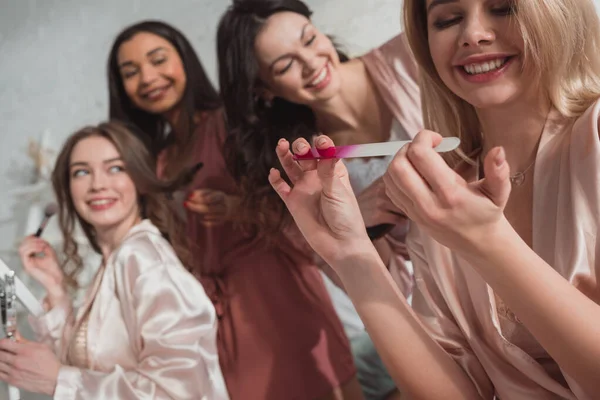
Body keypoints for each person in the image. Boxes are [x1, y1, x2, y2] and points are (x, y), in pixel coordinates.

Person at [268, 0, 600, 398]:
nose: (472, 34)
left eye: (504, 7)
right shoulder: (441, 191)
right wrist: (352, 253)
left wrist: (488, 243)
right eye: (448, 19)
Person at [108, 20, 361, 400]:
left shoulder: (234, 122)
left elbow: (299, 201)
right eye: (131, 72)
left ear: (185, 62)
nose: (148, 77)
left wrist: (236, 208)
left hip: (278, 293)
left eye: (158, 59)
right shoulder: (154, 164)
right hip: (213, 314)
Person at [217, 1, 424, 398]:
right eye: (284, 66)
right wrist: (356, 227)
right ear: (264, 91)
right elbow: (384, 287)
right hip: (432, 314)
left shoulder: (410, 58)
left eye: (310, 39)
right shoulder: (304, 168)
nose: (312, 63)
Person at [0, 121, 228, 399]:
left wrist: (60, 381)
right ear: (68, 188)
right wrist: (55, 287)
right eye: (81, 172)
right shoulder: (116, 259)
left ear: (140, 181)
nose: (97, 184)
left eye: (116, 168)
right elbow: (87, 364)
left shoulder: (144, 259)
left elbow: (179, 391)